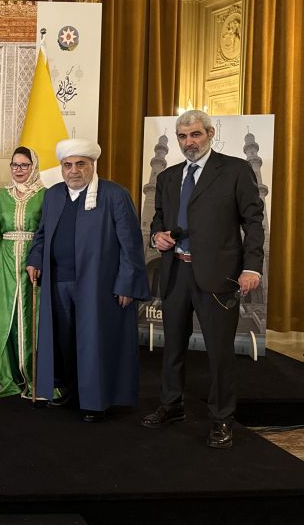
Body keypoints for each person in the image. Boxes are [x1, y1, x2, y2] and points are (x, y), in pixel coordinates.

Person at [142, 110, 264, 449]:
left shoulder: (235, 170)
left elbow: (253, 222)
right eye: (182, 136)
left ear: (210, 133)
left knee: (219, 352)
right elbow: (159, 219)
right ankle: (172, 404)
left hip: (218, 275)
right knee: (173, 346)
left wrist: (252, 268)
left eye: (195, 134)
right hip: (176, 272)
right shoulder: (168, 177)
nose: (189, 142)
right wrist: (157, 237)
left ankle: (222, 417)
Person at [26, 139, 149, 422]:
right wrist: (35, 259)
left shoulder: (115, 195)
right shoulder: (54, 195)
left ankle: (96, 402)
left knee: (94, 343)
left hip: (98, 287)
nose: (74, 171)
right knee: (66, 342)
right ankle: (73, 392)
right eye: (68, 165)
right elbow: (42, 234)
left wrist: (127, 283)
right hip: (58, 283)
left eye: (80, 164)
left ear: (92, 165)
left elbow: (130, 244)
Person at [0, 147, 45, 399]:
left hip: (33, 262)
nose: (19, 170)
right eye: (15, 165)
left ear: (34, 167)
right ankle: (8, 377)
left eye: (24, 165)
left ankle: (34, 376)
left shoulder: (44, 195)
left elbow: (45, 231)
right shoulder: (2, 196)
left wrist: (40, 260)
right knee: (6, 318)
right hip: (7, 260)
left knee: (31, 317)